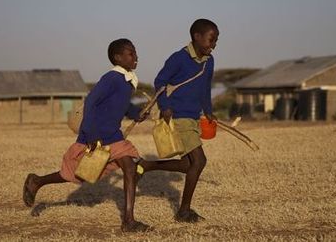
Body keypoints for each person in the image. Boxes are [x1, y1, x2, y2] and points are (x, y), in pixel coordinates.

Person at [22, 38, 150, 232]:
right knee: (74, 175)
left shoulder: (127, 81)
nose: (136, 56)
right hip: (96, 135)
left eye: (135, 52)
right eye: (131, 53)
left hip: (114, 137)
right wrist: (90, 133)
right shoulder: (112, 78)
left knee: (130, 169)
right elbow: (91, 102)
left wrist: (136, 113)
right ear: (118, 57)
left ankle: (128, 221)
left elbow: (122, 106)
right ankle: (37, 181)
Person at [138, 18, 219, 223]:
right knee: (199, 162)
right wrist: (164, 106)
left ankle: (147, 165)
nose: (214, 44)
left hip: (193, 117)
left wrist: (208, 111)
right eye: (211, 39)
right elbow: (160, 81)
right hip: (178, 116)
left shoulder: (209, 62)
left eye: (216, 40)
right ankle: (184, 211)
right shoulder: (179, 58)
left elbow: (205, 89)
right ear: (197, 37)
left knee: (186, 164)